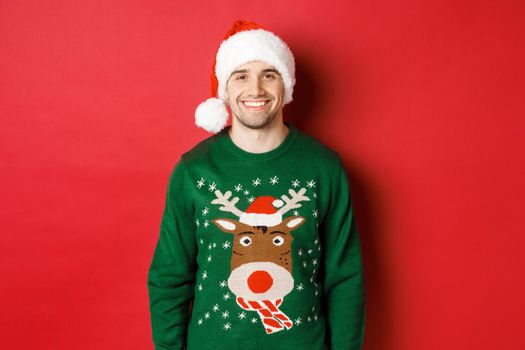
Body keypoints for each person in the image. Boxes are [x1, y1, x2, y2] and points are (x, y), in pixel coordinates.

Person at [147, 20, 366, 350]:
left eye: (269, 74)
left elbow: (345, 278)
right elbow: (169, 278)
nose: (256, 89)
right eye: (241, 75)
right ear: (225, 88)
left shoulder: (324, 168)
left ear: (286, 84)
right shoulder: (193, 172)